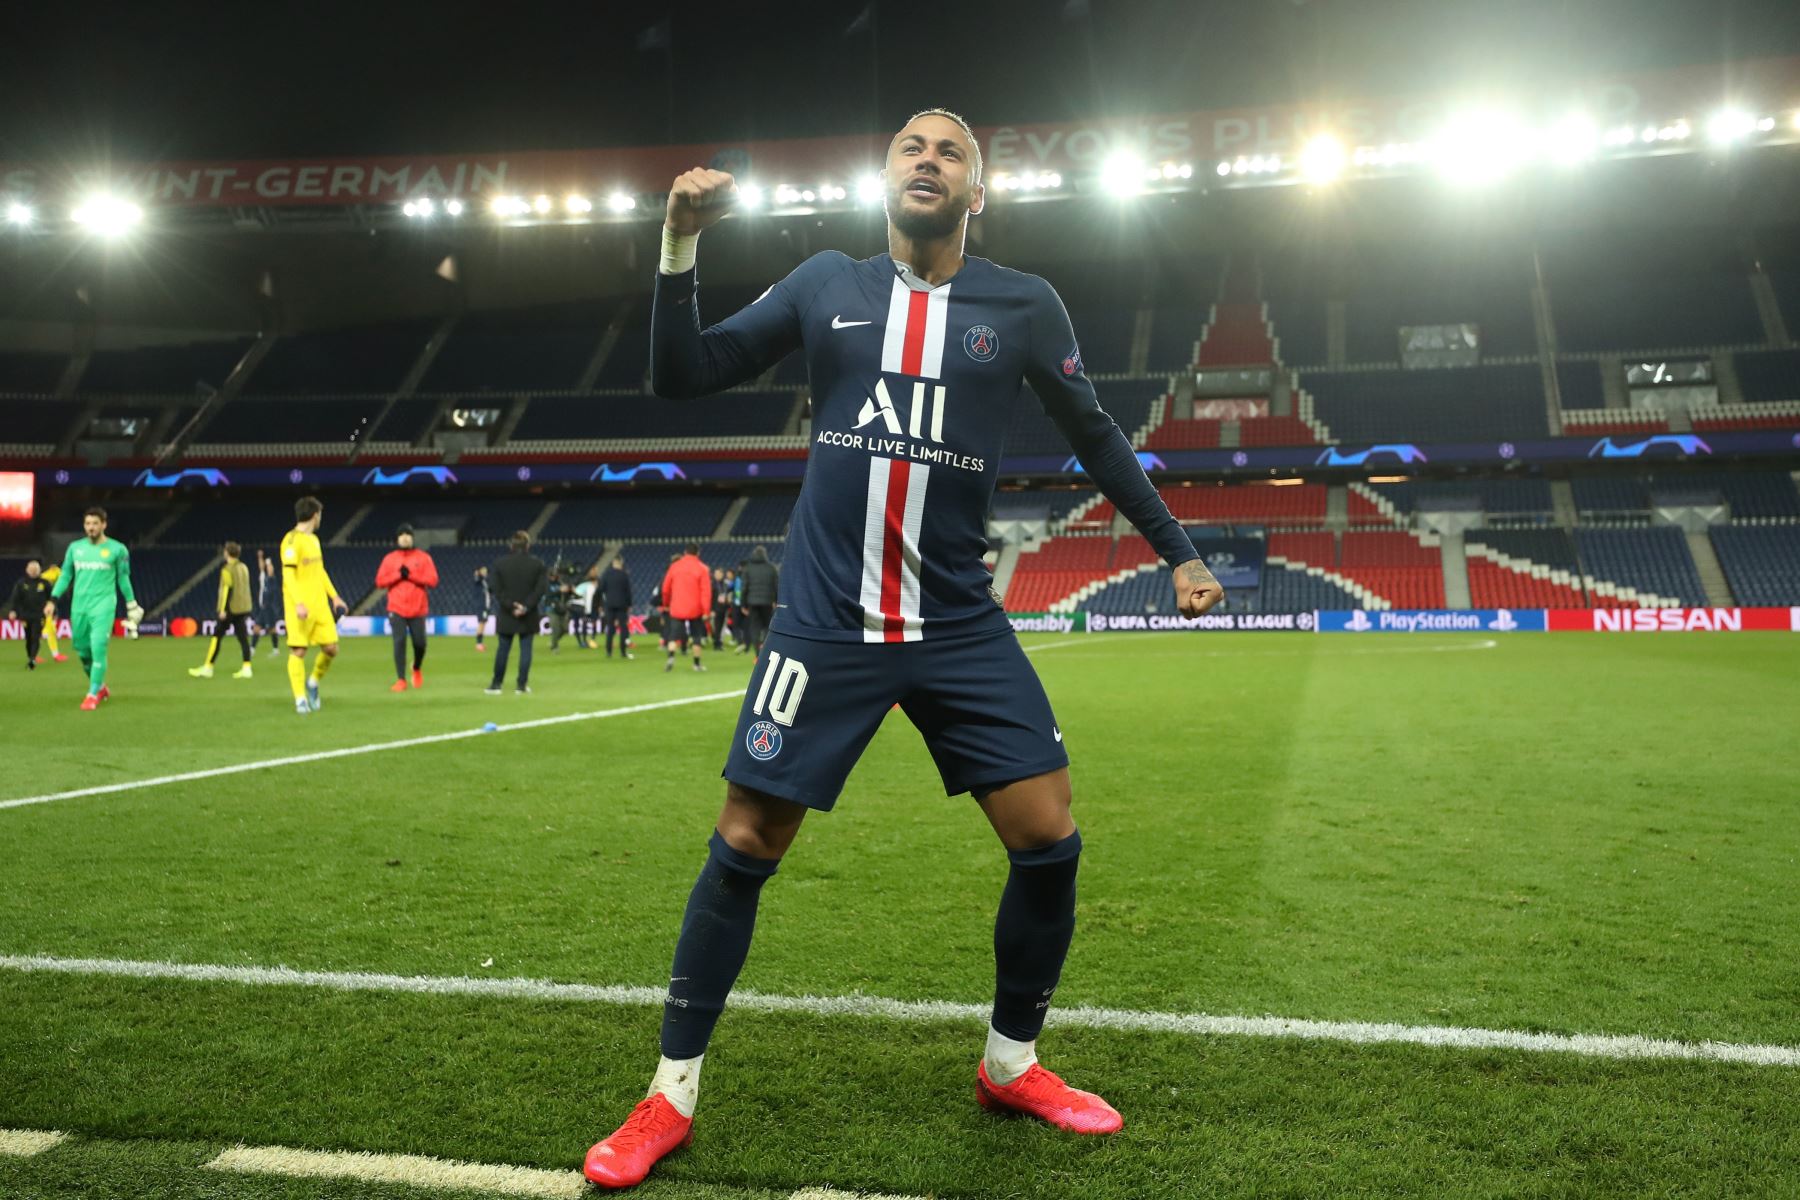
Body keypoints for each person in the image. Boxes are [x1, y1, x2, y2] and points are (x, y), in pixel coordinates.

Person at [582, 109, 1224, 1190]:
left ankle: (1011, 1063)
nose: (928, 160)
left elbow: (1094, 432)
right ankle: (668, 1093)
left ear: (978, 194)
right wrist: (678, 242)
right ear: (885, 180)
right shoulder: (826, 284)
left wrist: (1177, 549)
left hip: (957, 623)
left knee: (1049, 835)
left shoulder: (1023, 305)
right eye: (910, 148)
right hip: (826, 622)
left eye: (951, 152)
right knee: (747, 838)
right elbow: (682, 376)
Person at [47, 507, 144, 711]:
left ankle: (92, 694)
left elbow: (123, 578)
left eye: (95, 524)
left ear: (104, 525)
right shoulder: (75, 548)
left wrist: (131, 603)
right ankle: (100, 686)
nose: (90, 528)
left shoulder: (118, 550)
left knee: (98, 646)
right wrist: (53, 599)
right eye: (87, 524)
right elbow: (65, 575)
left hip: (104, 605)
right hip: (79, 606)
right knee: (83, 653)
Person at [281, 496, 349, 716]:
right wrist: (298, 603)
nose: (321, 518)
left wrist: (334, 596)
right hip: (299, 607)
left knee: (331, 648)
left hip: (319, 605)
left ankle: (312, 683)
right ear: (314, 515)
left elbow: (319, 572)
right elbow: (288, 575)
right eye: (320, 514)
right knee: (298, 650)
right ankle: (300, 699)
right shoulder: (291, 541)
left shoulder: (314, 541)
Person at [376, 523, 439, 692]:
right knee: (399, 642)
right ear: (397, 538)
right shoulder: (389, 559)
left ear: (412, 537)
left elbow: (433, 580)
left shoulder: (423, 557)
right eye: (401, 534)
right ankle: (401, 679)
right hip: (396, 608)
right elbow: (380, 581)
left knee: (420, 643)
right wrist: (398, 575)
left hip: (418, 608)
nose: (404, 537)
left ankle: (416, 667)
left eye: (408, 534)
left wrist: (411, 575)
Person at [486, 530, 547, 695]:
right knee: (526, 649)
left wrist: (511, 606)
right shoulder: (537, 564)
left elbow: (496, 589)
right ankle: (521, 685)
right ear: (527, 546)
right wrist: (525, 606)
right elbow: (540, 589)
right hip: (528, 614)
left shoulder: (499, 564)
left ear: (511, 545)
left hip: (507, 614)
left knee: (503, 649)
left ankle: (496, 684)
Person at [188, 541, 255, 679]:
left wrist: (223, 609)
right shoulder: (243, 567)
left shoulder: (227, 569)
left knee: (217, 636)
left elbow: (227, 589)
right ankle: (247, 667)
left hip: (231, 608)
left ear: (227, 553)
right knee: (243, 638)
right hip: (243, 607)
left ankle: (208, 667)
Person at [659, 543, 711, 674]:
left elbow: (665, 588)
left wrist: (665, 604)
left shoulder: (675, 566)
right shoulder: (702, 569)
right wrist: (706, 611)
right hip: (695, 608)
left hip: (677, 607)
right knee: (696, 636)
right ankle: (697, 664)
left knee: (673, 635)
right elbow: (706, 592)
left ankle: (671, 657)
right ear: (698, 553)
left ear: (685, 552)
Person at [5, 557, 51, 669]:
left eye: (36, 569)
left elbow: (52, 598)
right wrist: (12, 610)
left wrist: (53, 611)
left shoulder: (45, 583)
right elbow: (15, 598)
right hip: (25, 615)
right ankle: (30, 656)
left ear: (39, 570)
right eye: (31, 569)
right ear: (27, 570)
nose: (34, 571)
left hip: (39, 615)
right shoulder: (21, 583)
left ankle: (32, 659)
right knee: (28, 638)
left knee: (35, 637)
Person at [737, 545, 779, 660]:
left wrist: (743, 604)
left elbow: (744, 588)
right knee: (767, 627)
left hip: (752, 603)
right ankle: (765, 652)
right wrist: (776, 600)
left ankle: (757, 655)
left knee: (754, 628)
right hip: (767, 602)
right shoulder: (771, 568)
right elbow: (776, 586)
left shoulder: (748, 568)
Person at [599, 555, 634, 659]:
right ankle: (623, 652)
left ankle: (609, 652)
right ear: (621, 562)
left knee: (610, 629)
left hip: (609, 604)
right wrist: (629, 604)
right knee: (623, 629)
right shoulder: (624, 575)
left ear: (613, 563)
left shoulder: (606, 574)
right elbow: (628, 591)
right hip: (622, 605)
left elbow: (601, 589)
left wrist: (602, 602)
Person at [249, 549, 282, 657]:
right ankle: (252, 649)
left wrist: (268, 562)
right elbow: (261, 568)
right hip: (263, 608)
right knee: (256, 628)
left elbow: (270, 571)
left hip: (269, 608)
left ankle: (276, 650)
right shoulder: (263, 577)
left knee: (271, 629)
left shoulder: (272, 579)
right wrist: (260, 558)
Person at [37, 562, 66, 662]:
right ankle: (34, 655)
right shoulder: (50, 575)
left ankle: (55, 654)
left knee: (50, 630)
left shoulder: (45, 576)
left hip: (49, 604)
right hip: (44, 606)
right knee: (47, 631)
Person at [546, 569, 574, 653]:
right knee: (556, 628)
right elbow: (548, 594)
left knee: (565, 629)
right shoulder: (546, 584)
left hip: (561, 608)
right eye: (552, 576)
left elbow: (567, 595)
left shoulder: (560, 583)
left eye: (555, 575)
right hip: (551, 608)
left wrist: (569, 590)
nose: (553, 577)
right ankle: (554, 647)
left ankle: (554, 641)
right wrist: (559, 590)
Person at [574, 567, 599, 649]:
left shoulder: (598, 582)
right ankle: (584, 641)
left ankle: (592, 639)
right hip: (586, 607)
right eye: (592, 571)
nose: (593, 572)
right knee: (585, 622)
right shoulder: (586, 584)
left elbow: (600, 596)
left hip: (594, 607)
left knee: (593, 623)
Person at [709, 567, 731, 651]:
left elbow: (727, 594)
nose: (717, 575)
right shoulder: (712, 584)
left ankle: (719, 643)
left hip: (723, 608)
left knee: (722, 627)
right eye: (716, 574)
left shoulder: (725, 584)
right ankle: (716, 644)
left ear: (722, 574)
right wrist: (711, 610)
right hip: (715, 609)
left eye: (718, 574)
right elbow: (710, 598)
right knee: (716, 627)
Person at [474, 565, 494, 651]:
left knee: (483, 623)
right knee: (481, 623)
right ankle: (478, 644)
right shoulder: (479, 580)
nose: (485, 572)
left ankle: (480, 643)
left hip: (486, 606)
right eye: (483, 570)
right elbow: (477, 577)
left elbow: (490, 591)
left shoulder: (485, 582)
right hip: (481, 606)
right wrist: (478, 573)